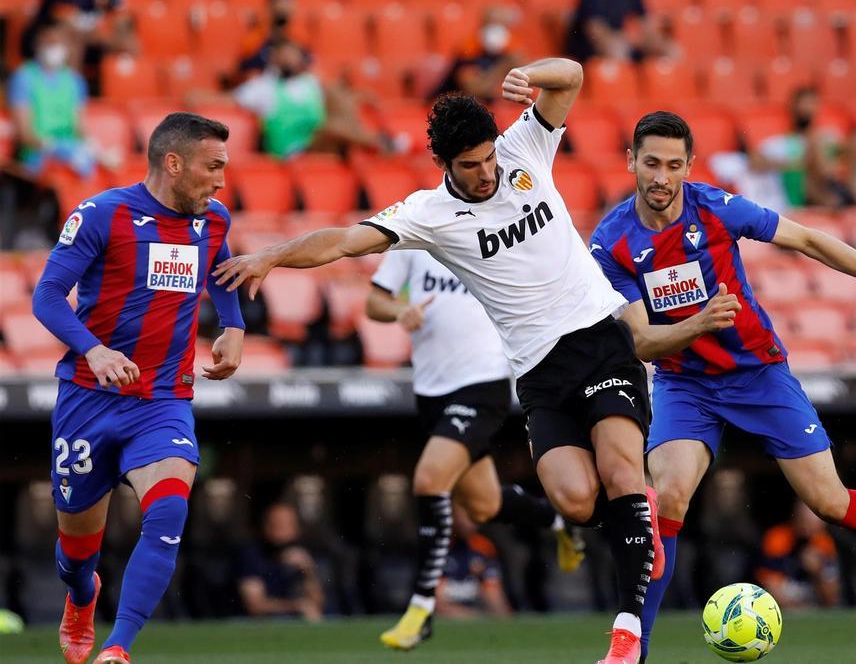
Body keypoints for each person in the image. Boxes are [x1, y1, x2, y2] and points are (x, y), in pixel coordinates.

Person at [213, 58, 662, 664]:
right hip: (537, 371)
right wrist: (272, 255)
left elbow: (573, 75)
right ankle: (634, 517)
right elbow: (344, 241)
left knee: (619, 468)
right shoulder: (429, 215)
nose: (485, 174)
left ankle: (627, 634)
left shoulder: (525, 144)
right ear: (444, 166)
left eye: (487, 159)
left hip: (598, 336)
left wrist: (529, 71)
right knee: (577, 501)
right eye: (469, 166)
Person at [588, 111, 856, 663]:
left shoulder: (714, 208)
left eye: (673, 165)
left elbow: (804, 238)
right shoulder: (611, 242)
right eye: (651, 162)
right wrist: (699, 324)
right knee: (669, 500)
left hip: (758, 373)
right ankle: (637, 648)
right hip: (685, 384)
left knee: (828, 500)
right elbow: (639, 341)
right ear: (631, 161)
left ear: (689, 166)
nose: (661, 176)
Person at [31, 112, 245, 664]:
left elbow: (222, 273)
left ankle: (118, 647)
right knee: (78, 550)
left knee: (169, 510)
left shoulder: (212, 220)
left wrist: (234, 327)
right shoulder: (104, 214)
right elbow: (48, 297)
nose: (221, 179)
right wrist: (94, 350)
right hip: (88, 399)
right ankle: (82, 595)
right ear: (173, 163)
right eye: (213, 166)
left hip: (162, 402)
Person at [367, 248, 585, 650]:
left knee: (429, 480)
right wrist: (401, 310)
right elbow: (373, 301)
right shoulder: (412, 237)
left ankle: (421, 608)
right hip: (431, 394)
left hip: (484, 384)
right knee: (483, 505)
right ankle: (559, 520)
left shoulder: (490, 235)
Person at [230, 38, 388, 158]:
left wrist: (361, 95)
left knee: (340, 108)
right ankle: (380, 143)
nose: (288, 59)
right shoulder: (264, 86)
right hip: (290, 151)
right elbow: (231, 98)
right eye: (284, 55)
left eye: (292, 54)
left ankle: (376, 147)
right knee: (330, 128)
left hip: (317, 144)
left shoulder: (310, 82)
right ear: (274, 58)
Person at [748, 87, 856, 210]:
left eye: (812, 104)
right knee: (817, 141)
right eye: (803, 104)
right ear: (792, 108)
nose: (807, 109)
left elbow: (845, 152)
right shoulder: (779, 142)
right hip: (809, 194)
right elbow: (753, 162)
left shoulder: (829, 135)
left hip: (843, 190)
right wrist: (798, 162)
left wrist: (838, 152)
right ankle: (835, 193)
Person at [9, 23, 100, 178]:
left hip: (70, 147)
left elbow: (80, 126)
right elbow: (24, 134)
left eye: (58, 44)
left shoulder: (74, 80)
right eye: (49, 43)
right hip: (36, 152)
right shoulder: (24, 77)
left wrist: (92, 147)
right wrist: (52, 147)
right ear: (37, 46)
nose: (54, 49)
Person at [235, 502, 325, 622]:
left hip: (293, 620)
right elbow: (255, 606)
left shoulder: (302, 554)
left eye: (286, 525)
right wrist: (296, 607)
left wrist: (308, 571)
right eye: (274, 525)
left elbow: (317, 605)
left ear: (297, 529)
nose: (280, 532)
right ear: (264, 528)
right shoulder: (251, 556)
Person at [429, 5, 524, 103]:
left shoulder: (507, 50)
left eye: (501, 25)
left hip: (478, 107)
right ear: (483, 25)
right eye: (492, 24)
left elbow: (525, 82)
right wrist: (501, 67)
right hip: (448, 106)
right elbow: (475, 89)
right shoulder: (468, 49)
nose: (497, 31)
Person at [755, 501, 841, 609]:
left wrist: (818, 571)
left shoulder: (825, 544)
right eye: (804, 521)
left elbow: (832, 598)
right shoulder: (778, 538)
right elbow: (769, 585)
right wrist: (797, 607)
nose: (807, 529)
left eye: (812, 524)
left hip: (814, 603)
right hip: (785, 603)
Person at [564, 0, 676, 63]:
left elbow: (646, 25)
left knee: (671, 51)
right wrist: (626, 40)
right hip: (586, 52)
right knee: (618, 51)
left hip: (618, 43)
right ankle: (625, 95)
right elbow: (596, 34)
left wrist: (657, 44)